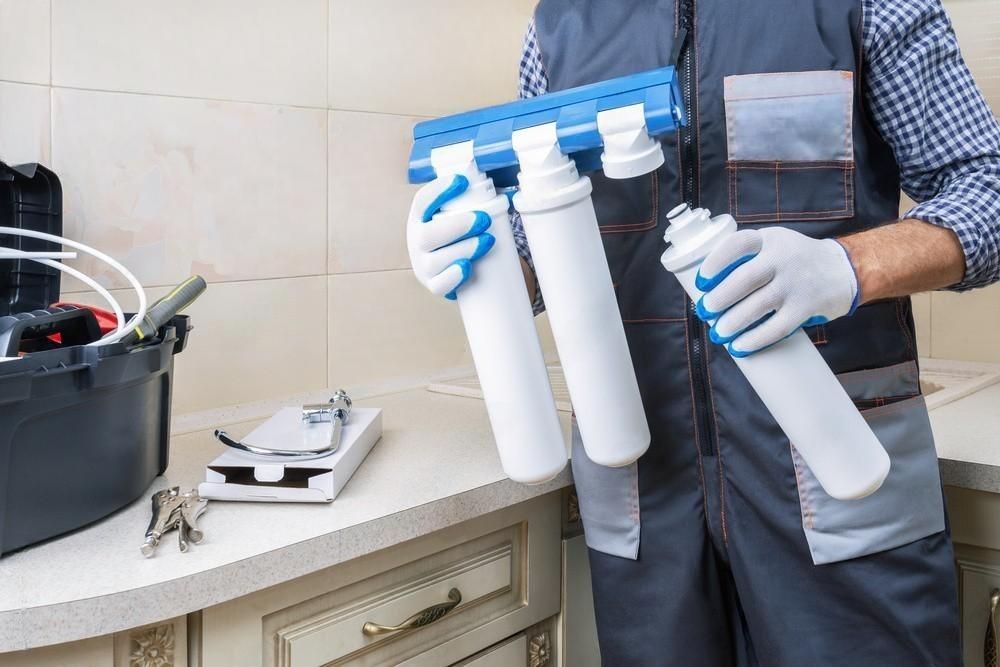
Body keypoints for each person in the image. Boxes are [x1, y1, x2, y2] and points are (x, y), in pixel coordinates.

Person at [407, 0, 1000, 663]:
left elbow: (988, 188)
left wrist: (847, 265)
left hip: (837, 482)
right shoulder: (559, 30)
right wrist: (472, 262)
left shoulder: (868, 4)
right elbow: (535, 255)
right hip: (644, 490)